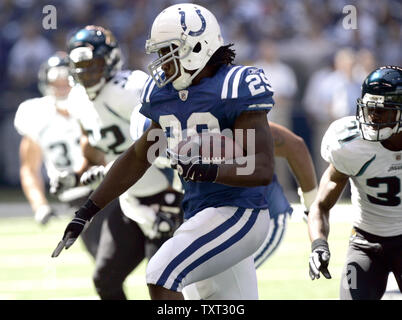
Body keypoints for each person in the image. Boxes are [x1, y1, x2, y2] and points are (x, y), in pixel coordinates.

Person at [52, 4, 275, 300]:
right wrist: (88, 210)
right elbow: (137, 157)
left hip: (239, 210)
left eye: (169, 50)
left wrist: (210, 170)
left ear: (197, 45)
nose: (162, 61)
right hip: (198, 213)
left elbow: (261, 169)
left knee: (161, 274)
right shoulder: (165, 95)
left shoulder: (234, 86)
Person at [53, 25, 183, 300]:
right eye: (81, 67)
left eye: (92, 65)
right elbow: (89, 145)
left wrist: (174, 190)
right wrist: (76, 175)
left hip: (169, 198)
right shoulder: (77, 98)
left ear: (110, 60)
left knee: (164, 286)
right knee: (105, 278)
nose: (86, 73)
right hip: (131, 201)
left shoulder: (131, 88)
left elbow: (168, 140)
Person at [182, 121, 318, 299]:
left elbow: (294, 145)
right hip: (216, 222)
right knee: (192, 281)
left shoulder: (232, 119)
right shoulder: (172, 124)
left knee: (213, 286)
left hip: (260, 217)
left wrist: (312, 205)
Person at [308, 66, 402, 300]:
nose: (374, 117)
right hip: (366, 242)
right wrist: (319, 244)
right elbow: (320, 206)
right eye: (370, 109)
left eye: (383, 110)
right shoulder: (350, 145)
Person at [14, 52, 101, 258]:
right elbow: (29, 167)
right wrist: (40, 205)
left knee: (108, 267)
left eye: (66, 82)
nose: (62, 88)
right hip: (74, 197)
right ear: (46, 84)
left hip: (104, 187)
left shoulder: (93, 107)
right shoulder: (36, 113)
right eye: (56, 83)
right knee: (104, 264)